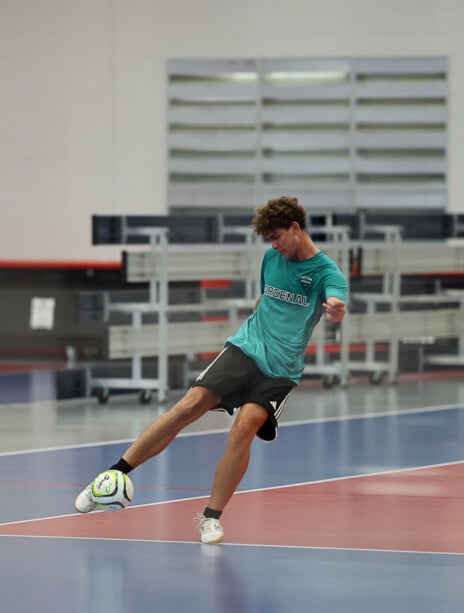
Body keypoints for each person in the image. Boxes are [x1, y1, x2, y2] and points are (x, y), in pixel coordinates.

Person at [75, 196, 348, 544]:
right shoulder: (271, 258)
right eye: (269, 240)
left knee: (243, 429)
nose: (274, 245)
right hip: (245, 348)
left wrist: (336, 310)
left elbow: (336, 303)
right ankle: (110, 477)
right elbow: (265, 298)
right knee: (188, 406)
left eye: (277, 236)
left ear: (296, 228)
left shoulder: (327, 273)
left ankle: (210, 518)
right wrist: (255, 327)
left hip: (281, 368)